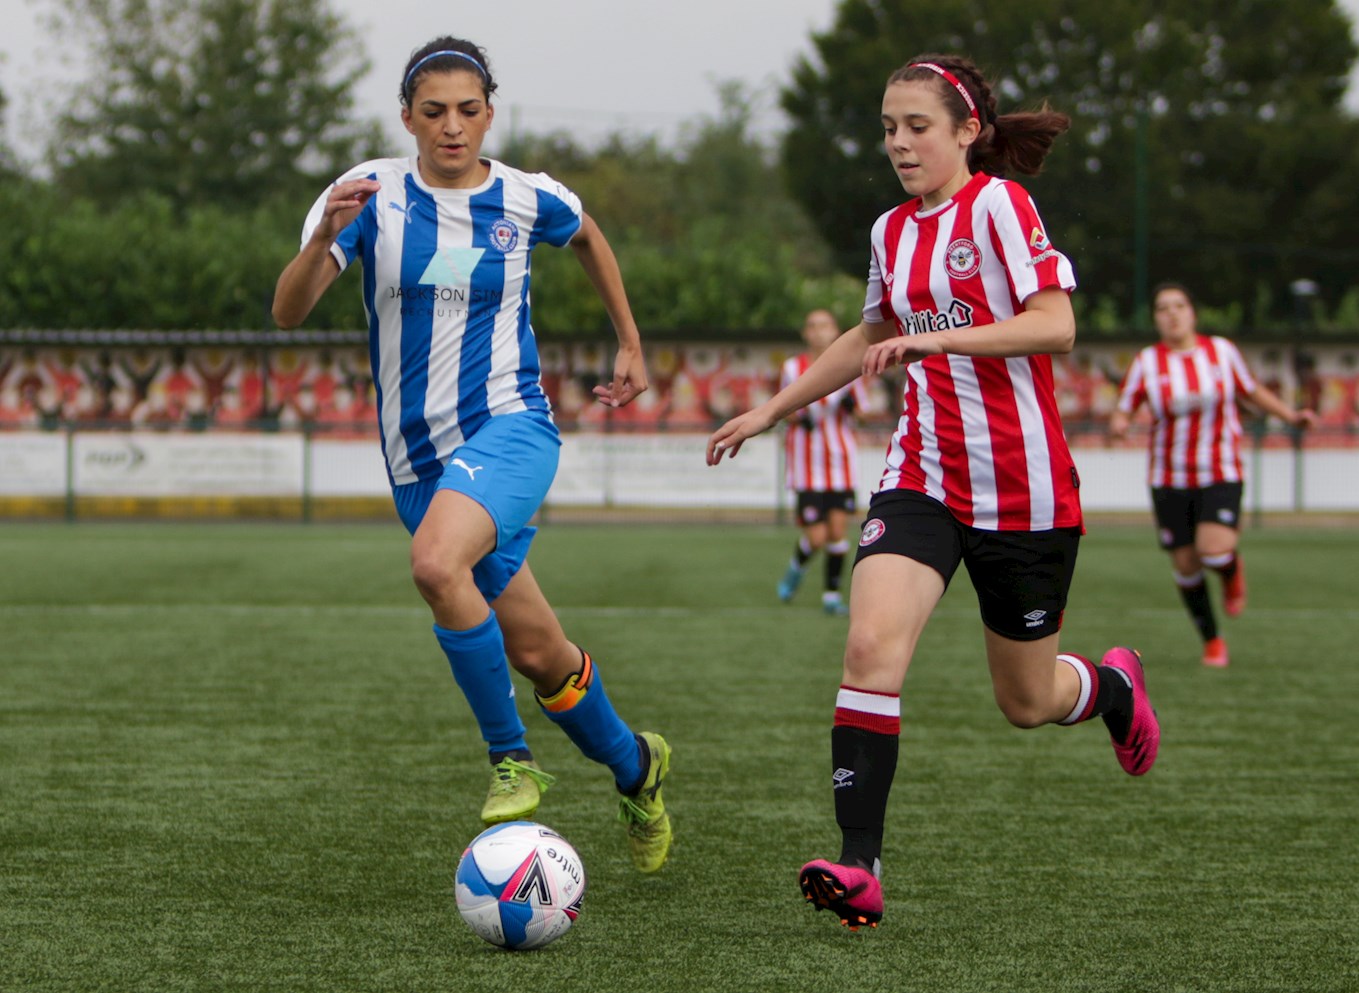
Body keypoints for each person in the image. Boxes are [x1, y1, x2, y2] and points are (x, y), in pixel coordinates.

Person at [707, 54, 1159, 929]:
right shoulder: (888, 232)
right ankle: (858, 863)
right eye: (887, 128)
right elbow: (870, 332)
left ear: (965, 132)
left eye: (917, 126)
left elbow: (1056, 325)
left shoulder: (998, 205)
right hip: (921, 477)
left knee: (1026, 703)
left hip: (1023, 490)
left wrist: (939, 343)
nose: (899, 143)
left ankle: (1107, 689)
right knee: (869, 648)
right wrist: (769, 408)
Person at [271, 36, 671, 873]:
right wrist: (319, 244)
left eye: (468, 109)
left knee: (432, 565)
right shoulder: (368, 197)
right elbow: (288, 310)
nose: (451, 127)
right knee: (539, 654)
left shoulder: (527, 198)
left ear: (490, 111)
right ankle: (637, 764)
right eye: (433, 111)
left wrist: (629, 342)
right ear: (406, 118)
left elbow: (590, 237)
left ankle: (509, 759)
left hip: (510, 427)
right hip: (418, 464)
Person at [1109, 283, 1314, 667]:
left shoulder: (1221, 351)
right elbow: (1124, 407)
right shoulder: (1147, 362)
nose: (1171, 313)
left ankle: (1231, 572)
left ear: (1192, 313)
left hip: (1220, 469)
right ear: (1155, 318)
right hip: (1168, 477)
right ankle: (1213, 640)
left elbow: (1251, 391)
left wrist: (1291, 416)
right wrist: (1120, 424)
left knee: (1214, 550)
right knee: (1186, 566)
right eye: (1162, 308)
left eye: (1179, 305)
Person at [777, 308, 871, 616]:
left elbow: (864, 410)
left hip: (840, 462)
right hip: (807, 464)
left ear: (835, 331)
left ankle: (831, 596)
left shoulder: (851, 366)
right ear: (806, 333)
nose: (819, 331)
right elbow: (785, 406)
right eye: (813, 326)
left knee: (837, 532)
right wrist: (797, 415)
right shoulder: (793, 367)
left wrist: (852, 405)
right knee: (816, 537)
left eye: (825, 325)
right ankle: (795, 569)